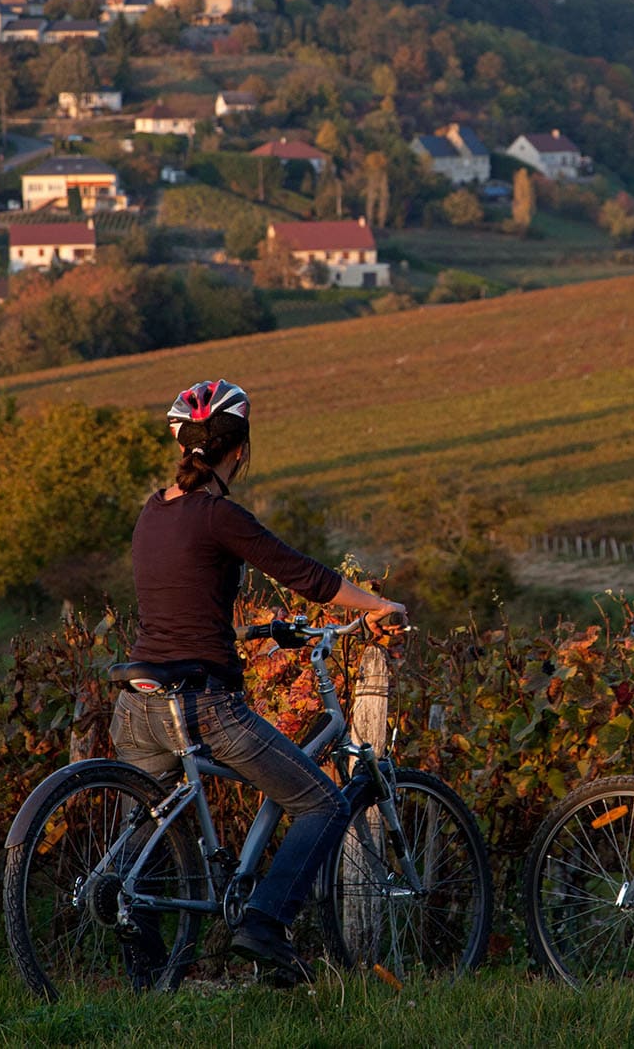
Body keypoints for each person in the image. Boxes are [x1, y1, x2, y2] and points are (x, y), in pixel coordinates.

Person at [109, 378, 408, 987]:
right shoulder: (219, 515)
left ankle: (146, 973)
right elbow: (305, 574)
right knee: (324, 802)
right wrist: (379, 604)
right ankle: (264, 926)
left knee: (144, 839)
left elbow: (178, 609)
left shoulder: (152, 511)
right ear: (238, 451)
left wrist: (254, 632)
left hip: (137, 701)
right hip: (202, 705)